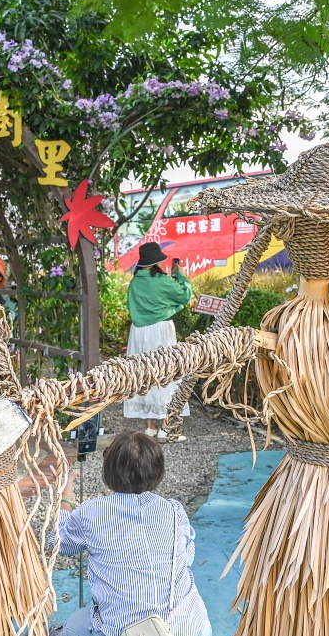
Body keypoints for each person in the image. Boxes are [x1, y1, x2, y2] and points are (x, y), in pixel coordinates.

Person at [52, 430, 212, 636]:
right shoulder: (174, 510)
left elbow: (59, 543)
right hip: (189, 626)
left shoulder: (92, 513)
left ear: (108, 471)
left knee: (73, 624)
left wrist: (65, 497)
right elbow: (187, 558)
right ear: (158, 471)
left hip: (125, 630)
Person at [123, 242, 192, 441]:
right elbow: (184, 295)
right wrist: (181, 275)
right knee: (165, 374)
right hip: (161, 331)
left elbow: (131, 305)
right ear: (157, 262)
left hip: (138, 332)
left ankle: (149, 427)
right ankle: (165, 428)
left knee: (143, 374)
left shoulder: (135, 282)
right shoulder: (162, 280)